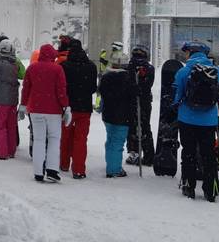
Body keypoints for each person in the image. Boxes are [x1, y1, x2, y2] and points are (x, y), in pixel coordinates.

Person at [172, 41, 219, 202]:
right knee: (208, 155)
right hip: (209, 121)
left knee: (189, 153)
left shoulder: (183, 71)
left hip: (186, 119)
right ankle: (210, 189)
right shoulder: (218, 72)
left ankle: (189, 186)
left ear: (190, 54)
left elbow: (176, 96)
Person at [20, 44, 70, 182]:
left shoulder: (32, 68)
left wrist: (23, 106)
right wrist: (66, 107)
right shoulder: (57, 69)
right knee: (54, 140)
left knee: (39, 140)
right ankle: (52, 170)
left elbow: (26, 89)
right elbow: (61, 91)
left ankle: (38, 172)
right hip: (54, 111)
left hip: (35, 110)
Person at [59, 39, 97, 178]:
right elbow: (93, 88)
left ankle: (63, 164)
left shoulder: (64, 66)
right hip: (85, 108)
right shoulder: (91, 66)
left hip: (68, 108)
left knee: (65, 137)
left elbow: (61, 88)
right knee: (81, 140)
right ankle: (79, 170)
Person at [98, 52, 134, 178]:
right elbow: (134, 95)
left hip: (108, 114)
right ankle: (114, 169)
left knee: (110, 140)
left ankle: (111, 163)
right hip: (123, 116)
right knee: (117, 143)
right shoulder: (128, 78)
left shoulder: (106, 77)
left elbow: (101, 92)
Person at [0, 40, 23, 159]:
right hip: (13, 100)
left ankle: (1, 152)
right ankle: (11, 151)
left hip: (0, 100)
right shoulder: (16, 65)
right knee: (11, 126)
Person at [125, 45, 156, 167]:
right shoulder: (149, 67)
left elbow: (127, 84)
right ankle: (148, 155)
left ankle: (134, 153)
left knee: (132, 126)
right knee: (145, 127)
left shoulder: (130, 66)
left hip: (132, 101)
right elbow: (148, 85)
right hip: (144, 101)